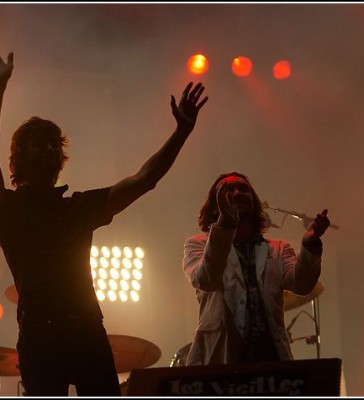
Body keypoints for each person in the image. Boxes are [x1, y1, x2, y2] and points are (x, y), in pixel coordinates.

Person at [0, 52, 208, 396]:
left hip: (87, 331)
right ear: (19, 157)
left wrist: (181, 132)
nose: (51, 150)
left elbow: (145, 179)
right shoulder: (8, 208)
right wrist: (1, 87)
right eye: (41, 144)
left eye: (55, 145)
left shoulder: (79, 207)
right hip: (39, 334)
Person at [182, 171, 330, 365]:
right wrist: (226, 224)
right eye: (227, 190)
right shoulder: (198, 244)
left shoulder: (278, 249)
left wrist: (310, 244)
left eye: (243, 189)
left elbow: (302, 285)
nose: (236, 193)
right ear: (215, 206)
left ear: (254, 201)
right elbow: (206, 280)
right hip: (220, 361)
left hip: (271, 361)